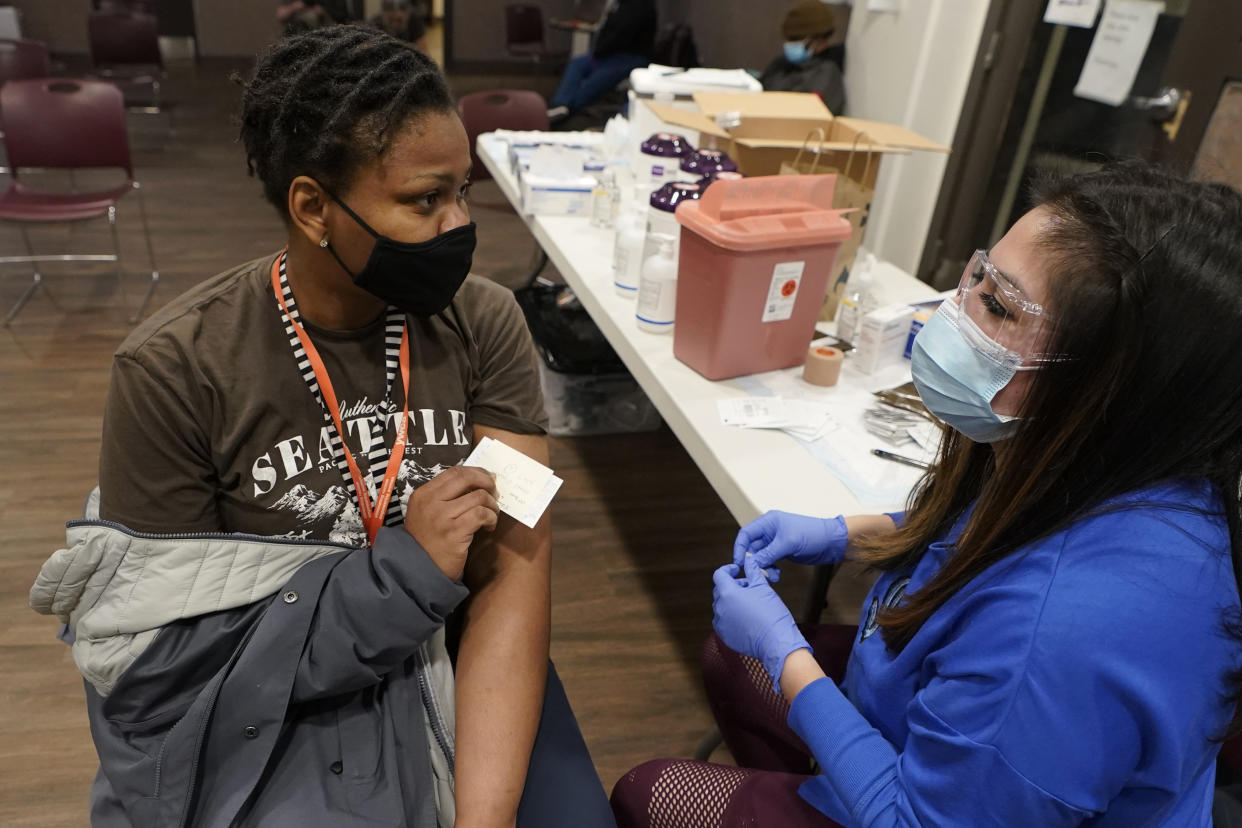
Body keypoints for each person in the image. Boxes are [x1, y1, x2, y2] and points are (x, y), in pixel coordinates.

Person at [29, 25, 615, 828]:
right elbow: (177, 657)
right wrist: (402, 572)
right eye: (423, 199)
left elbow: (511, 571)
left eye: (462, 192)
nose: (458, 225)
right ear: (313, 208)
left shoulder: (485, 322)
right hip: (275, 697)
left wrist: (486, 818)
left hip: (444, 660)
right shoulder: (174, 367)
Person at [610, 161, 1242, 826]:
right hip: (956, 751)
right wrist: (842, 533)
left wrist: (783, 652)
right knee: (728, 659)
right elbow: (999, 533)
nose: (952, 312)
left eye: (996, 306)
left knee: (649, 793)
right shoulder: (1133, 471)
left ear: (1107, 385)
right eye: (978, 278)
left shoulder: (1054, 640)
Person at [546, 0, 656, 124]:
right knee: (577, 64)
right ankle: (559, 104)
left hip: (630, 57)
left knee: (595, 81)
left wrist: (600, 53)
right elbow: (607, 31)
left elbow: (620, 36)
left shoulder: (640, 6)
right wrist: (598, 53)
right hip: (606, 54)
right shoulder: (619, 4)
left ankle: (567, 111)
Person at [760, 0, 846, 115]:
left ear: (819, 40)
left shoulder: (826, 73)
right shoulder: (781, 64)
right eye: (790, 39)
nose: (790, 45)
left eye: (797, 39)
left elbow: (810, 114)